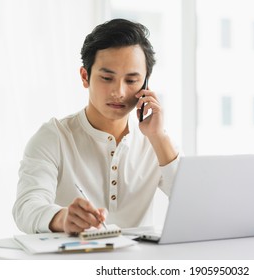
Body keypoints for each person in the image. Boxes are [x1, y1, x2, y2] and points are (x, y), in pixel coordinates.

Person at [12, 18, 180, 235]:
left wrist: (158, 137)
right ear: (85, 76)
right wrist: (62, 218)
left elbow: (196, 205)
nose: (118, 91)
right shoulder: (54, 137)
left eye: (131, 81)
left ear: (145, 84)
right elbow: (26, 207)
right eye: (107, 77)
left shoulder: (157, 141)